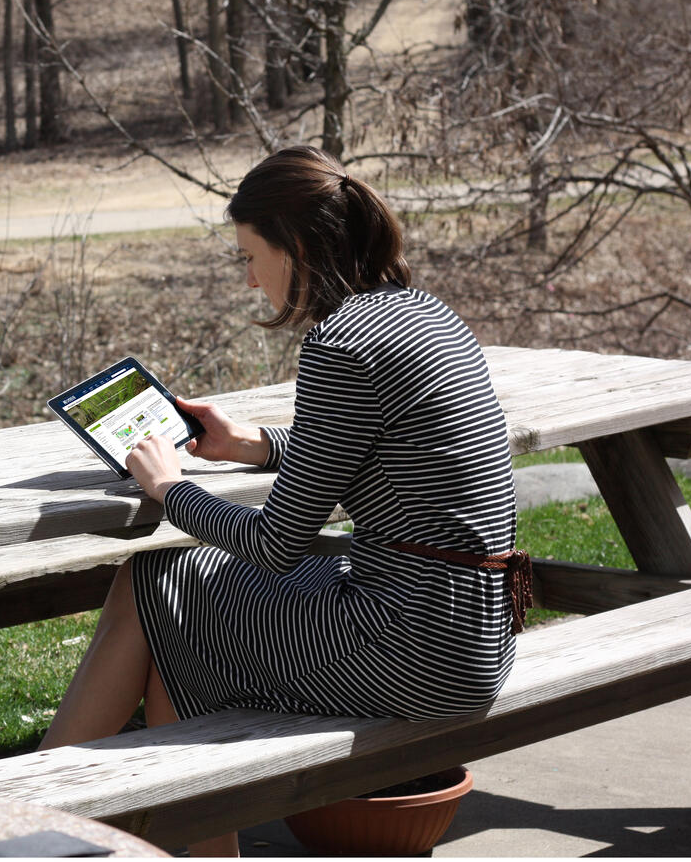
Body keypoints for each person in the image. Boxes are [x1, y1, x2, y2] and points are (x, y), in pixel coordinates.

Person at [37, 145, 527, 857]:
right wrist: (250, 444)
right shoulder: (423, 314)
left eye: (248, 255)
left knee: (155, 581)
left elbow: (275, 543)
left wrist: (169, 488)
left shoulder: (340, 345)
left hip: (413, 647)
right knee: (177, 627)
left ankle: (28, 829)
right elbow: (376, 458)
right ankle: (75, 833)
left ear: (294, 247)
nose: (247, 279)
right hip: (478, 632)